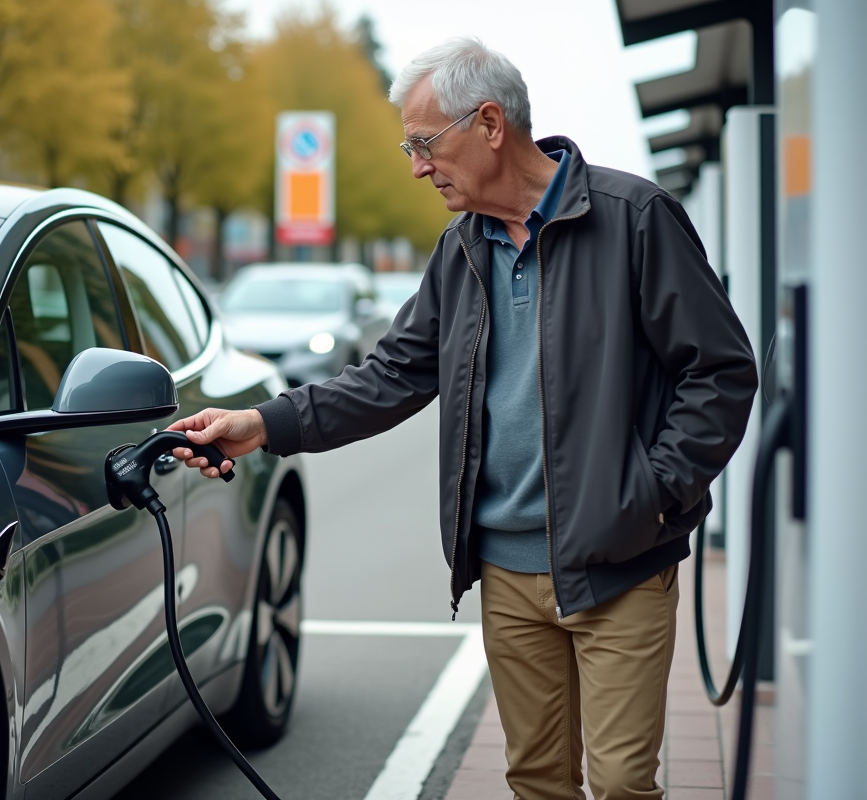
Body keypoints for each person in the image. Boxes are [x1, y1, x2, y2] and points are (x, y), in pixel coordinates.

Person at [167, 37, 757, 800]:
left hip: (620, 562)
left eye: (424, 143)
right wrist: (262, 424)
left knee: (619, 786)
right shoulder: (461, 251)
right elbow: (391, 375)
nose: (415, 165)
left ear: (488, 124)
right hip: (507, 571)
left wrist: (651, 493)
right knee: (537, 780)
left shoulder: (634, 218)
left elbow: (720, 371)